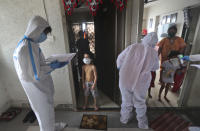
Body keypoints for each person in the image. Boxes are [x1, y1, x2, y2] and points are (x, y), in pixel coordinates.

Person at [13, 16, 68, 131]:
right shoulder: (26, 48)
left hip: (39, 87)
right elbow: (35, 74)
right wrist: (52, 67)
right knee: (44, 115)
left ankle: (53, 127)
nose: (45, 37)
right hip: (38, 89)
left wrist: (50, 62)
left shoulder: (29, 44)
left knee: (47, 113)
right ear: (36, 30)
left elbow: (34, 65)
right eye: (44, 34)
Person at [117, 32, 159, 129]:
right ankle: (142, 124)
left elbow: (120, 58)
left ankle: (124, 119)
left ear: (145, 39)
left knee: (126, 100)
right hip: (141, 82)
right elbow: (155, 67)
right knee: (139, 102)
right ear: (154, 43)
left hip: (125, 78)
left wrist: (120, 68)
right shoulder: (154, 53)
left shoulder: (133, 46)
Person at [158, 24, 186, 92]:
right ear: (167, 31)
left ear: (176, 31)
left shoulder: (180, 40)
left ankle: (169, 84)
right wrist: (155, 57)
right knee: (162, 72)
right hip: (164, 61)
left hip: (174, 62)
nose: (171, 32)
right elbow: (159, 49)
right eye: (170, 31)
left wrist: (181, 62)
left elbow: (181, 53)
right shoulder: (164, 40)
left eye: (173, 31)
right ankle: (162, 82)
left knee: (171, 74)